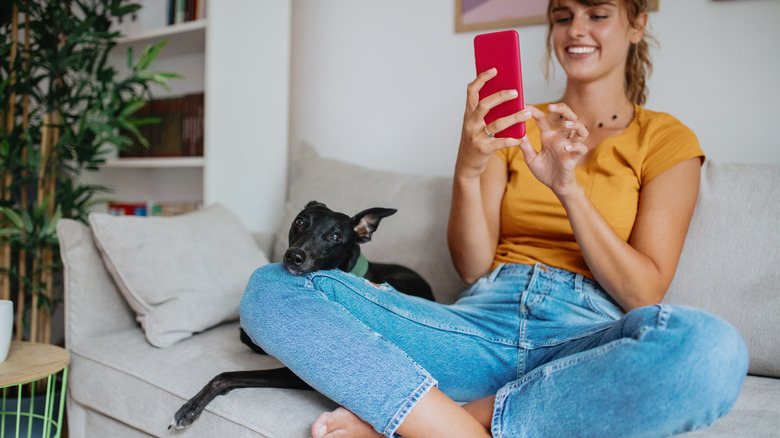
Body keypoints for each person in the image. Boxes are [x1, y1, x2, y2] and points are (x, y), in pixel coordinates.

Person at [240, 0, 749, 436]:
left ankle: (440, 420)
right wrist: (469, 162)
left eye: (598, 13)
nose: (576, 29)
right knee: (270, 288)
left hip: (581, 341)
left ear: (636, 23)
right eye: (562, 15)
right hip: (472, 330)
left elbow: (644, 294)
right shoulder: (515, 125)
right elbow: (471, 266)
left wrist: (567, 187)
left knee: (714, 350)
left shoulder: (666, 139)